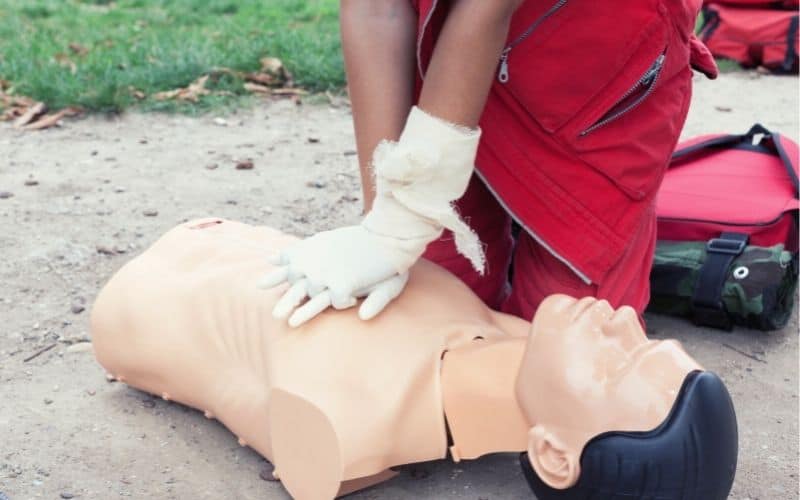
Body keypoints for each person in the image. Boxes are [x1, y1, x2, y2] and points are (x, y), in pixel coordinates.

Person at [91, 219, 738, 500]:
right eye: (649, 341)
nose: (625, 321)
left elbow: (290, 435)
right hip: (223, 237)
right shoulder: (514, 338)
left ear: (553, 455)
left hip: (139, 298)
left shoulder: (345, 427)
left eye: (619, 364)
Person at [260, 0, 720, 327]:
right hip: (447, 64)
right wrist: (385, 221)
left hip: (595, 70)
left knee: (574, 360)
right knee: (418, 324)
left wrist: (405, 215)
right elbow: (375, 8)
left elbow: (486, 6)